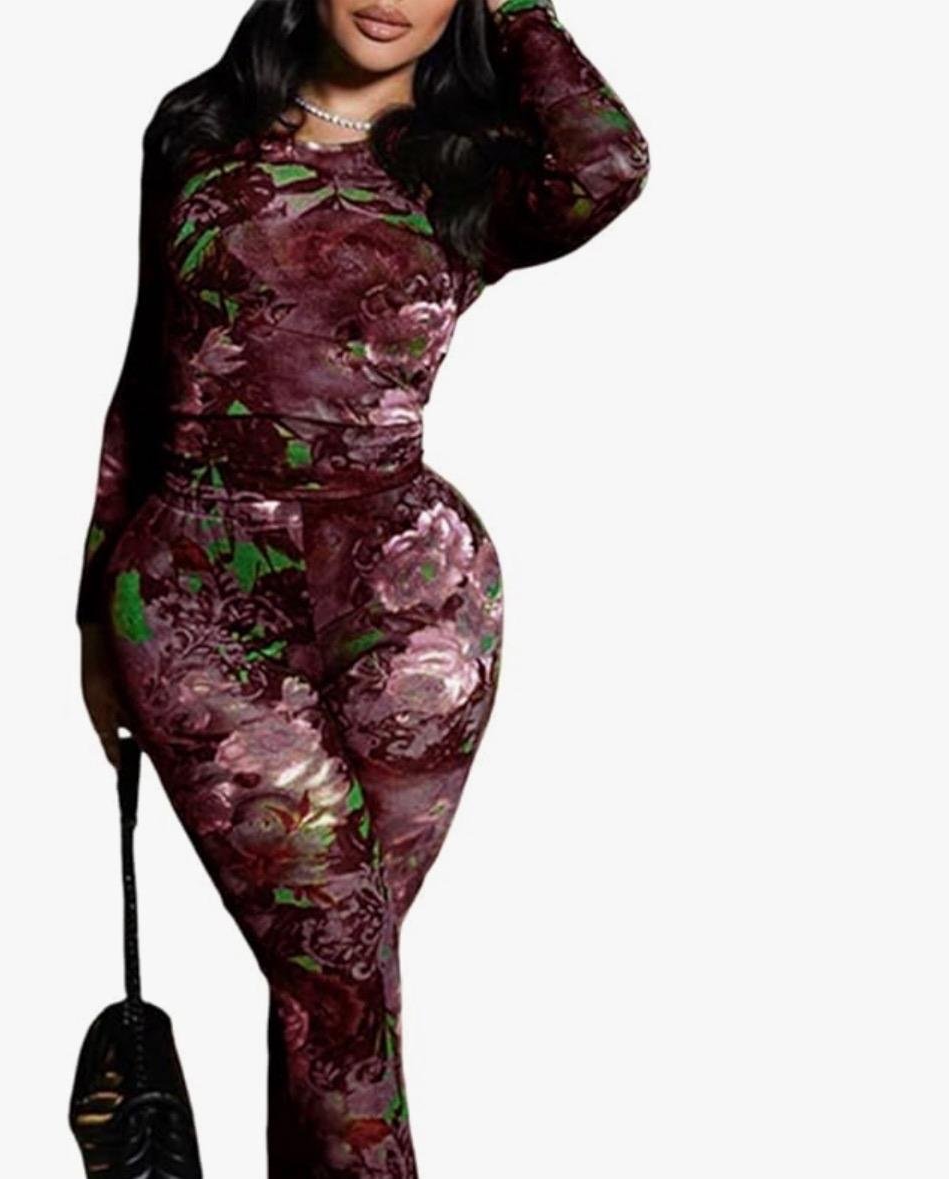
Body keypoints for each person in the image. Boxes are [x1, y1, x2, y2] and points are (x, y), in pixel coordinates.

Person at [75, 0, 649, 1174]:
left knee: (338, 988)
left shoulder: (478, 162)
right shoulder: (198, 129)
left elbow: (610, 162)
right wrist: (93, 610)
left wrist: (521, 10)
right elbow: (144, 372)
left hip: (413, 608)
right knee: (337, 981)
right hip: (195, 596)